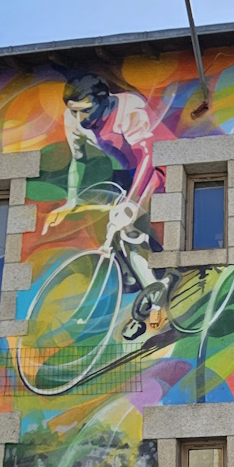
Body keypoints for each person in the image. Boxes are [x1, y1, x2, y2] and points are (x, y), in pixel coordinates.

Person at [43, 73, 167, 310]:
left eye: (86, 110)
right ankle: (138, 271)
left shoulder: (130, 108)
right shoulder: (72, 119)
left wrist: (131, 203)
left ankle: (158, 278)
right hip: (125, 168)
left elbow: (148, 156)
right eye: (74, 111)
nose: (80, 119)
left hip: (154, 163)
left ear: (104, 99)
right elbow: (77, 161)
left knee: (132, 217)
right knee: (112, 220)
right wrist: (71, 200)